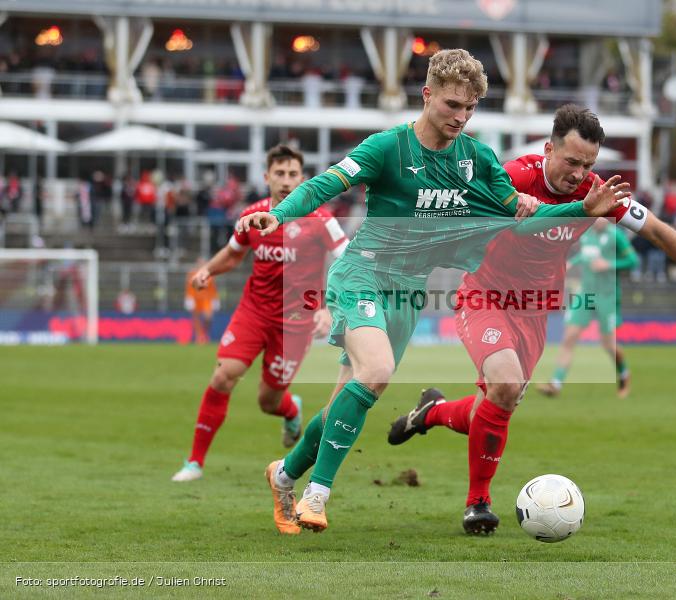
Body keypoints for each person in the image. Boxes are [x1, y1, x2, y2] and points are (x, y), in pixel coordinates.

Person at [237, 50, 634, 535]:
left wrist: (580, 210)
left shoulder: (477, 159)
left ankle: (283, 475)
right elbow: (324, 185)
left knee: (347, 398)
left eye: (470, 108)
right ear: (427, 95)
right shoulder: (387, 147)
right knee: (376, 371)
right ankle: (316, 496)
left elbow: (522, 218)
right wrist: (279, 214)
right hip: (363, 273)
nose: (461, 117)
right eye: (452, 105)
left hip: (409, 291)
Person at [385, 105, 676, 534]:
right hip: (484, 296)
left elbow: (656, 230)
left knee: (497, 403)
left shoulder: (596, 193)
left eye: (588, 165)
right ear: (548, 150)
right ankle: (478, 503)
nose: (579, 174)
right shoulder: (512, 177)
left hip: (535, 313)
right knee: (505, 385)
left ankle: (431, 412)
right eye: (572, 161)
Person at [171, 144, 348, 483]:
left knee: (268, 401)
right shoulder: (251, 216)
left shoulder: (321, 220)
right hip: (253, 312)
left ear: (303, 178)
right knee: (223, 376)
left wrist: (328, 308)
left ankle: (291, 410)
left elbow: (348, 262)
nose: (286, 180)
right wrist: (208, 270)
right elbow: (232, 254)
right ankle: (194, 462)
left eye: (293, 174)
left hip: (295, 324)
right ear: (267, 177)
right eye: (279, 173)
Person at [537, 217, 639, 398]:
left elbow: (633, 260)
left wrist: (609, 264)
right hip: (585, 293)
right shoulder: (586, 233)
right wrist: (571, 263)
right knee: (569, 337)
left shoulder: (616, 235)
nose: (598, 220)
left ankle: (624, 373)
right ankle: (556, 383)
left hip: (607, 296)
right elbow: (585, 255)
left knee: (608, 344)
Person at [184, 257, 220, 344]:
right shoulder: (192, 273)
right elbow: (189, 287)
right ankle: (199, 336)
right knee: (196, 318)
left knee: (208, 318)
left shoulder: (209, 275)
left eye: (203, 263)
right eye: (200, 263)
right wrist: (188, 298)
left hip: (207, 298)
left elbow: (213, 288)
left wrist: (215, 299)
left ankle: (205, 333)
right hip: (195, 298)